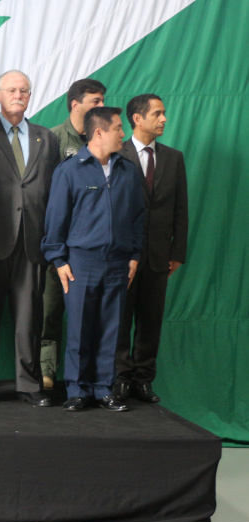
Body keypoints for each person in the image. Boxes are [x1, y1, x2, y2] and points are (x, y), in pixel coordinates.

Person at [0, 70, 60, 407]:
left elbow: (54, 191)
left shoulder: (46, 137)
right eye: (11, 90)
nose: (18, 95)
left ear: (30, 96)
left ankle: (29, 386)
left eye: (24, 90)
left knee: (29, 320)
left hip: (32, 242)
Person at [41, 106, 144, 412]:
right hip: (80, 263)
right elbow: (55, 219)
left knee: (111, 330)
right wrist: (59, 259)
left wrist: (134, 255)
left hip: (118, 263)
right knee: (79, 329)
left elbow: (138, 217)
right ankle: (76, 389)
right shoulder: (69, 171)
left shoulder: (128, 171)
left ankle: (103, 389)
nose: (123, 134)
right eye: (118, 129)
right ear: (99, 132)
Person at [114, 94, 188, 404]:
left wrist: (177, 252)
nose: (164, 119)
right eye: (157, 113)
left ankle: (143, 380)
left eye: (164, 113)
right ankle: (119, 379)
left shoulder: (173, 158)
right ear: (137, 119)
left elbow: (180, 208)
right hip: (122, 256)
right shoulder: (116, 153)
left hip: (159, 256)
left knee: (150, 322)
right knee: (119, 320)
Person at [42, 79, 106, 389]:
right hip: (57, 241)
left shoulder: (105, 139)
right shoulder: (52, 138)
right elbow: (42, 193)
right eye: (96, 101)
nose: (102, 106)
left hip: (93, 243)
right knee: (49, 309)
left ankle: (89, 376)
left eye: (103, 100)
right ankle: (46, 372)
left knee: (93, 314)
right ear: (75, 104)